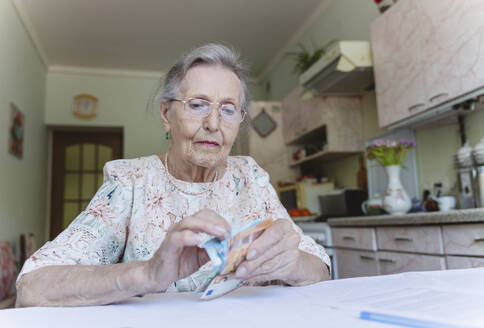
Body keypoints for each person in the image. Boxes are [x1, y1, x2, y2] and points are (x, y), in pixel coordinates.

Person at [16, 43, 331, 307]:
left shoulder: (250, 177)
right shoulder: (131, 182)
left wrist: (292, 264)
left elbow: (320, 268)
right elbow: (32, 287)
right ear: (167, 115)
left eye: (228, 109)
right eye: (197, 105)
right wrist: (149, 273)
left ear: (239, 121)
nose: (213, 123)